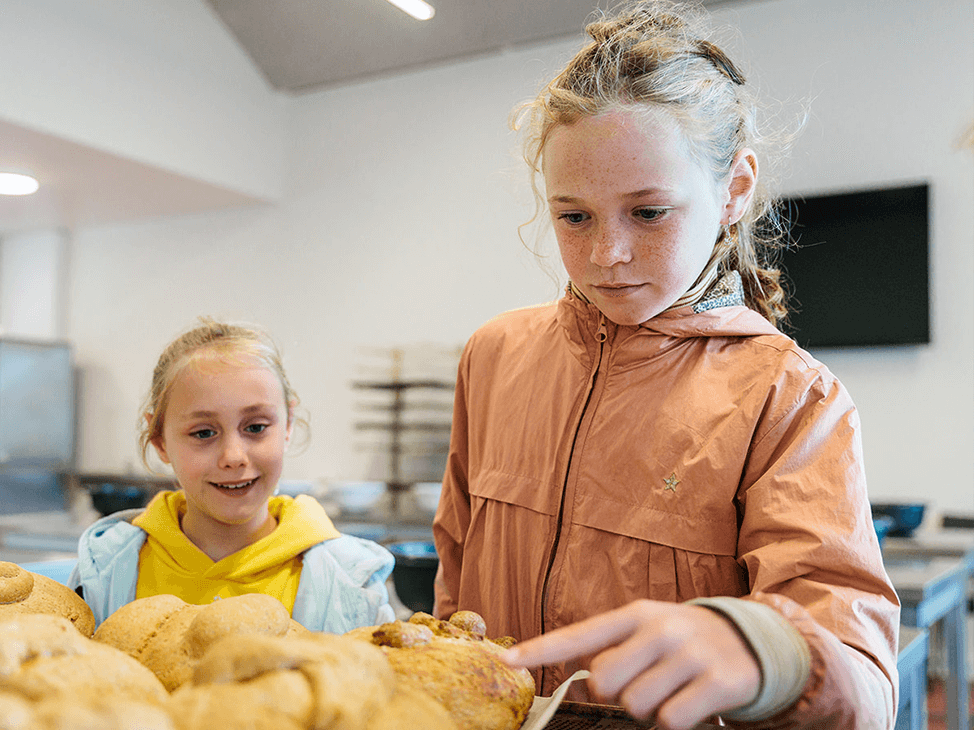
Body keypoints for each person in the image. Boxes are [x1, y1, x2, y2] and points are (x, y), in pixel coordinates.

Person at [432, 2, 899, 727]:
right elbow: (454, 589)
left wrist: (767, 650)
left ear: (734, 191)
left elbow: (865, 682)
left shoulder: (790, 397)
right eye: (573, 215)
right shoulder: (494, 355)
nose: (604, 255)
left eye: (648, 213)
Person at [70, 318, 395, 634]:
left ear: (289, 424)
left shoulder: (350, 584)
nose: (233, 457)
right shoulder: (104, 572)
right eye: (203, 433)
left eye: (255, 427)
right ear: (160, 441)